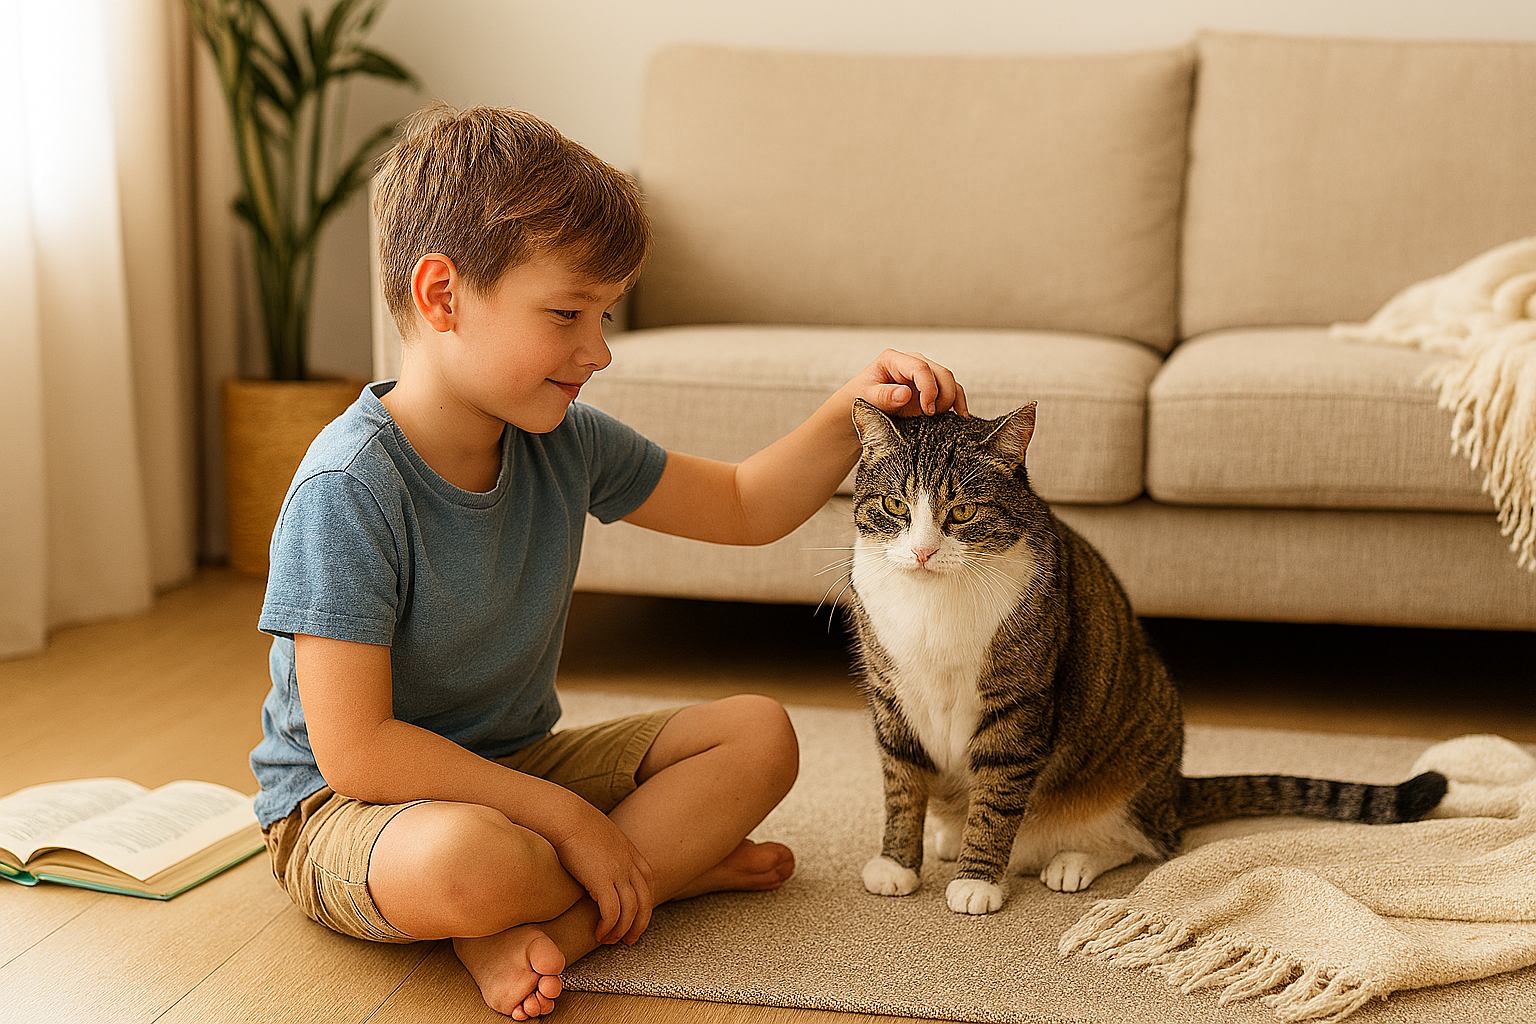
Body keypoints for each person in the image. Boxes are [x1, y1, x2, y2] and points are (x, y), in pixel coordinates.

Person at [249, 102, 967, 1020]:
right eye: (566, 314)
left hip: (518, 761)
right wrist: (570, 820)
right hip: (349, 810)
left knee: (761, 734)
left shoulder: (564, 441)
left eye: (605, 314)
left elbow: (745, 506)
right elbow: (358, 751)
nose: (599, 350)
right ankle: (645, 873)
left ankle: (576, 916)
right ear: (441, 297)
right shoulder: (348, 487)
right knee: (469, 861)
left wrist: (849, 411)